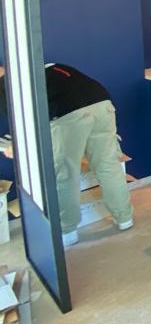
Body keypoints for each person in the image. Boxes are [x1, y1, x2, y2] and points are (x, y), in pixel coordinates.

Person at [0, 63, 134, 246]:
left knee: (65, 174)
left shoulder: (5, 85)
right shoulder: (42, 67)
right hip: (101, 102)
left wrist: (16, 146)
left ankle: (67, 231)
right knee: (108, 165)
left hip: (68, 112)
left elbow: (22, 121)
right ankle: (125, 218)